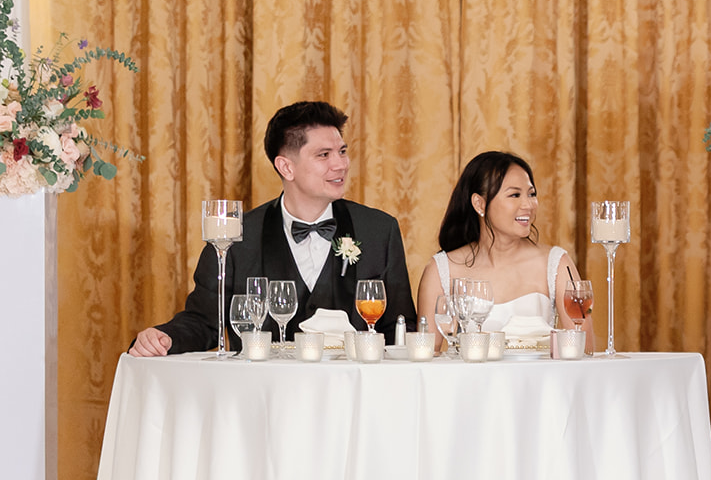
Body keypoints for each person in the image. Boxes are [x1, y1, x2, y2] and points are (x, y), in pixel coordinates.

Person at [130, 101, 416, 354]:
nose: (341, 164)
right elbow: (205, 321)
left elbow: (400, 327)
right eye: (324, 155)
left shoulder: (379, 230)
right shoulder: (236, 237)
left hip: (354, 397)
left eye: (342, 151)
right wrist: (165, 337)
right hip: (264, 398)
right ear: (286, 167)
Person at [414, 150, 591, 351]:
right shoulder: (442, 269)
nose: (528, 205)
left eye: (531, 194)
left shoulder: (557, 263)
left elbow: (584, 349)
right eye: (514, 195)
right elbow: (427, 357)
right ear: (479, 204)